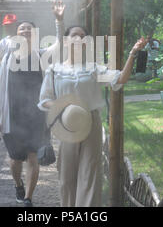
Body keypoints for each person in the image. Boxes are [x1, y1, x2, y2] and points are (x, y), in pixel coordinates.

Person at [38, 27, 148, 207]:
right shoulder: (54, 70)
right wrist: (64, 107)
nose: (80, 39)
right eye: (75, 35)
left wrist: (133, 53)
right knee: (66, 175)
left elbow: (120, 79)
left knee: (90, 174)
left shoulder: (93, 69)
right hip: (66, 124)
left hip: (91, 123)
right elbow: (44, 100)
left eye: (83, 36)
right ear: (65, 41)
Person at [0, 3, 64, 207]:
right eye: (21, 29)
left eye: (28, 29)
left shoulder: (41, 55)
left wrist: (59, 21)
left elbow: (59, 45)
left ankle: (28, 198)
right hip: (12, 115)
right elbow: (0, 90)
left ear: (35, 35)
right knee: (15, 159)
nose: (24, 31)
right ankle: (17, 184)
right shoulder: (7, 59)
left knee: (33, 156)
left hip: (37, 116)